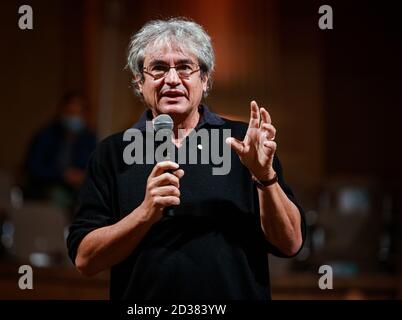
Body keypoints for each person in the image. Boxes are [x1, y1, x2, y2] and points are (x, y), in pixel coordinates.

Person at [67, 18, 305, 300]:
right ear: (139, 82)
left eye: (184, 67)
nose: (171, 79)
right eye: (158, 68)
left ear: (204, 80)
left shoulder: (245, 143)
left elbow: (291, 243)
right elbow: (85, 259)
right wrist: (144, 214)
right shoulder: (112, 153)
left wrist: (265, 177)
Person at [23, 92, 97, 212]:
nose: (74, 118)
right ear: (62, 112)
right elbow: (33, 167)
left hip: (78, 192)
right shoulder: (46, 136)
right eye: (71, 113)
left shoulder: (89, 138)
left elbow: (95, 168)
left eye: (78, 113)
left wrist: (82, 176)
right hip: (46, 190)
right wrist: (62, 175)